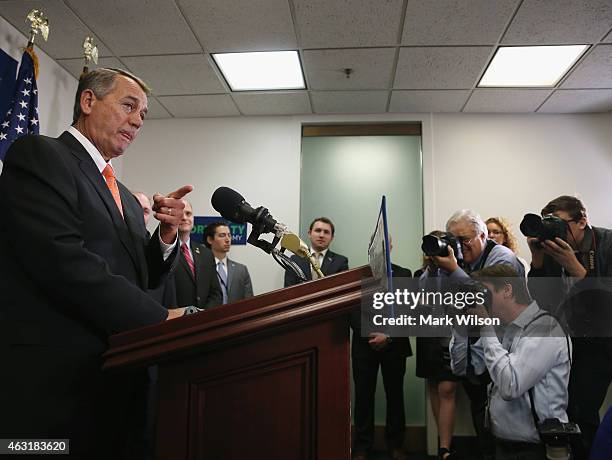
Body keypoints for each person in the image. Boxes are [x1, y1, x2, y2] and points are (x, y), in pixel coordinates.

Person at [0, 68, 190, 459]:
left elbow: (141, 273)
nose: (138, 120)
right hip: (51, 389)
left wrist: (167, 237)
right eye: (129, 105)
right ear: (88, 102)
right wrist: (161, 320)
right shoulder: (40, 154)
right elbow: (64, 262)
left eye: (143, 114)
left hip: (113, 380)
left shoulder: (119, 190)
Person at [450, 264, 571, 460]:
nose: (481, 301)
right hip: (502, 444)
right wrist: (460, 327)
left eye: (485, 294)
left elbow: (510, 385)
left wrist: (487, 329)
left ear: (507, 290)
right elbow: (463, 367)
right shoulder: (504, 327)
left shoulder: (545, 329)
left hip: (535, 449)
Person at [431, 209, 525, 460]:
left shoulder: (502, 258)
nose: (459, 247)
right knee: (480, 418)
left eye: (464, 240)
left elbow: (489, 300)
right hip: (475, 356)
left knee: (500, 420)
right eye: (454, 241)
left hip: (503, 351)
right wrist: (440, 269)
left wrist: (454, 270)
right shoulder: (462, 262)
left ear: (483, 235)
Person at [527, 195, 612, 459]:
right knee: (571, 411)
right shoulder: (553, 248)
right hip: (574, 343)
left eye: (561, 224)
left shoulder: (608, 244)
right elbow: (542, 300)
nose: (556, 232)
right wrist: (538, 260)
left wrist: (577, 270)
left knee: (586, 412)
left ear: (582, 220)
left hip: (604, 339)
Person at [350, 238, 412, 460]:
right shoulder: (357, 276)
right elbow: (352, 311)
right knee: (363, 398)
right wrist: (371, 335)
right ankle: (362, 446)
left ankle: (396, 445)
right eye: (378, 245)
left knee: (395, 396)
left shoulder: (405, 274)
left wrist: (389, 335)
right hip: (364, 346)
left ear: (392, 248)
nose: (383, 249)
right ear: (371, 248)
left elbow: (407, 309)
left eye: (387, 244)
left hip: (395, 346)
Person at [415, 231, 460, 460]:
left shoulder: (457, 268)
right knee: (434, 386)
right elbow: (422, 300)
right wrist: (432, 269)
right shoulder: (423, 273)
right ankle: (443, 444)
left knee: (447, 388)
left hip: (451, 334)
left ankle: (445, 447)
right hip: (429, 335)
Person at [172, 201, 223, 308]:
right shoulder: (165, 251)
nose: (184, 218)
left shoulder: (206, 253)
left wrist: (203, 314)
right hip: (175, 320)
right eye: (180, 214)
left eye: (188, 214)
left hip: (204, 320)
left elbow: (216, 293)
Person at [284, 216, 349, 287]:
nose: (321, 235)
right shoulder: (295, 260)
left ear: (332, 237)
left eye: (326, 232)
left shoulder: (340, 262)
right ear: (309, 233)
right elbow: (288, 290)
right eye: (318, 230)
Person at [203, 221, 253, 304]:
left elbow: (249, 301)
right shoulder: (200, 268)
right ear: (210, 239)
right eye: (222, 235)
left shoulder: (241, 270)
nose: (227, 240)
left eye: (229, 235)